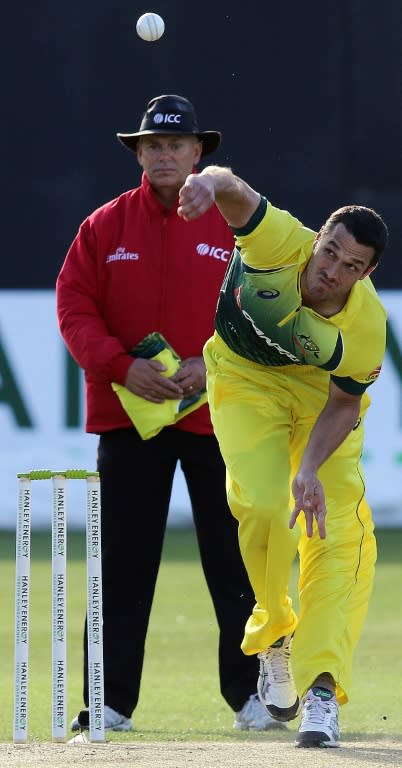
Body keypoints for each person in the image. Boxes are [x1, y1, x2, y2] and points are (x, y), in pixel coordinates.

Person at [56, 95, 284, 733]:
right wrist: (116, 364)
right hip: (130, 418)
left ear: (198, 153)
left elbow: (268, 308)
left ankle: (250, 697)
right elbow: (73, 306)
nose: (164, 155)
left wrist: (210, 364)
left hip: (221, 415)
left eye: (176, 145)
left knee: (233, 559)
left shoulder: (236, 225)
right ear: (138, 153)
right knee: (123, 563)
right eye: (152, 145)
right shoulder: (104, 227)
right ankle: (109, 702)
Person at [177, 165, 389, 748]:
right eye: (330, 253)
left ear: (368, 274)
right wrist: (205, 183)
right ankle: (275, 630)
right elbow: (234, 188)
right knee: (266, 504)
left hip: (322, 405)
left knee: (335, 531)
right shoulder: (279, 244)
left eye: (352, 267)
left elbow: (346, 404)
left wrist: (312, 468)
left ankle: (321, 691)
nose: (331, 272)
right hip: (243, 380)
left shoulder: (366, 325)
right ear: (316, 238)